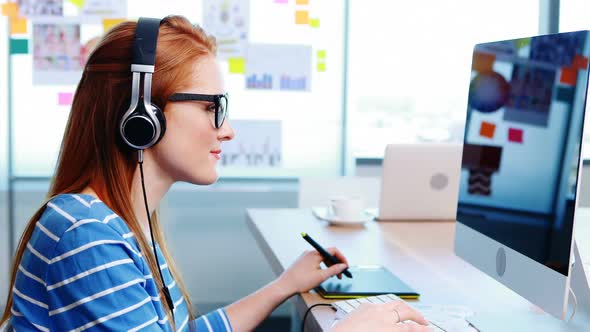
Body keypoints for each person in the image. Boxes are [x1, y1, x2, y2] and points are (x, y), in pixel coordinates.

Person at [0, 15, 430, 332]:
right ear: (142, 116)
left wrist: (284, 285)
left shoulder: (120, 224)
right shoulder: (85, 234)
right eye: (211, 107)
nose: (226, 130)